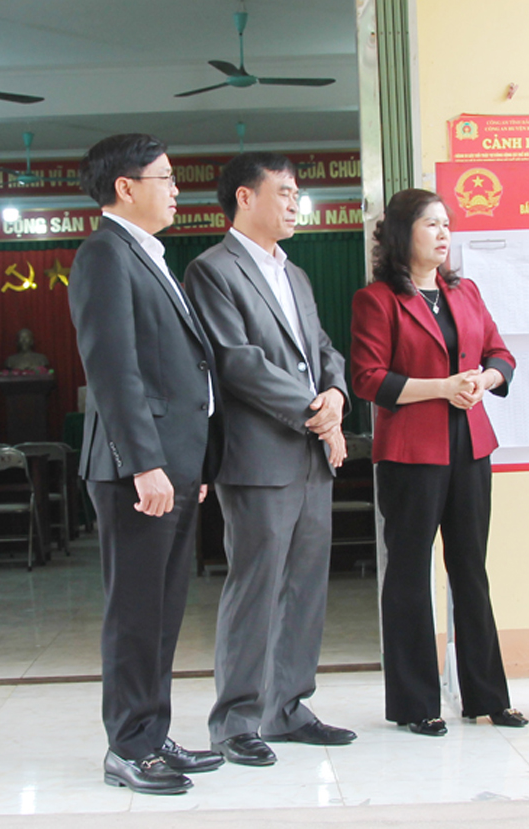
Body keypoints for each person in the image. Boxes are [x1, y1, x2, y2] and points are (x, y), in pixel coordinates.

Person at [184, 152, 355, 766]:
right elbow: (237, 362)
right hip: (258, 457)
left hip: (310, 454)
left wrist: (336, 395)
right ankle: (235, 722)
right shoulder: (212, 270)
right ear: (244, 198)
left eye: (295, 194)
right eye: (283, 192)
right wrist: (315, 410)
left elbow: (323, 349)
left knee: (305, 586)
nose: (293, 203)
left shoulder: (296, 274)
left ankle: (287, 708)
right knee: (256, 586)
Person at [67, 134, 223, 795]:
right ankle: (128, 747)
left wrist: (193, 463)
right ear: (125, 187)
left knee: (161, 612)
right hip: (139, 470)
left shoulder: (146, 254)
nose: (176, 189)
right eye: (165, 178)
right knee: (135, 613)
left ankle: (153, 734)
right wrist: (143, 464)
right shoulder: (104, 254)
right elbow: (113, 369)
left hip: (173, 463)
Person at [350, 188, 525, 737]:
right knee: (408, 574)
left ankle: (487, 698)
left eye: (447, 223)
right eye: (432, 224)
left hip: (471, 446)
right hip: (410, 453)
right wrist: (442, 387)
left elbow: (501, 355)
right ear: (403, 234)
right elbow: (368, 379)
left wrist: (482, 380)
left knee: (471, 569)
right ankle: (416, 703)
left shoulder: (465, 291)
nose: (444, 233)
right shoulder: (377, 299)